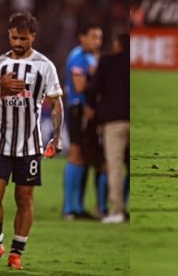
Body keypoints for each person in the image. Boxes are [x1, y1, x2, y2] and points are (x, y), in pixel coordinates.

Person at [0, 12, 64, 270]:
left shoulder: (44, 66)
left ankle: (17, 252)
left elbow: (56, 103)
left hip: (29, 146)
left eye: (23, 38)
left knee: (24, 198)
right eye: (14, 37)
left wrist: (57, 138)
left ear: (32, 37)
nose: (17, 42)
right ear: (9, 35)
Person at [62, 24, 106, 219]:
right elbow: (79, 86)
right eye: (93, 36)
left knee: (88, 157)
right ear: (82, 37)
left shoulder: (93, 56)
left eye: (99, 37)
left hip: (90, 110)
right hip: (78, 109)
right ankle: (70, 208)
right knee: (76, 154)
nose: (97, 41)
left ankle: (80, 206)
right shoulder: (77, 57)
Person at [86, 33, 130, 224]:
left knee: (114, 167)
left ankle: (117, 210)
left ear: (117, 44)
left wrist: (92, 108)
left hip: (114, 121)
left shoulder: (107, 61)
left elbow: (94, 88)